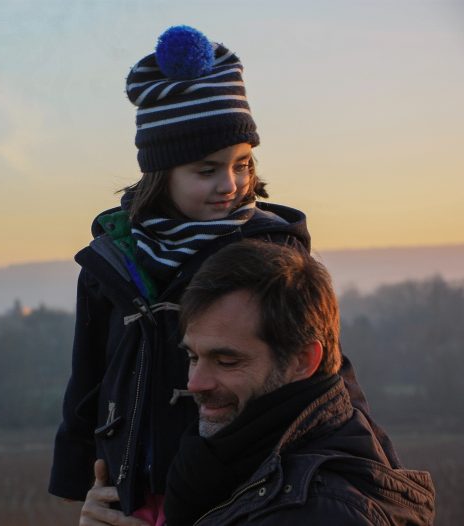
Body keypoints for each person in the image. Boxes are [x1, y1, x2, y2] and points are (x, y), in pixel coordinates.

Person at [48, 25, 315, 524]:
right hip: (130, 490)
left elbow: (321, 378)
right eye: (206, 170)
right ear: (161, 172)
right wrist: (78, 477)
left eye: (242, 165)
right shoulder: (112, 257)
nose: (230, 185)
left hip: (242, 490)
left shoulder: (273, 253)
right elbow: (88, 375)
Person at [164, 240, 435, 525]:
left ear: (303, 360)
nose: (195, 383)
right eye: (193, 357)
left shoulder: (323, 513)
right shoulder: (228, 464)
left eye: (227, 361)